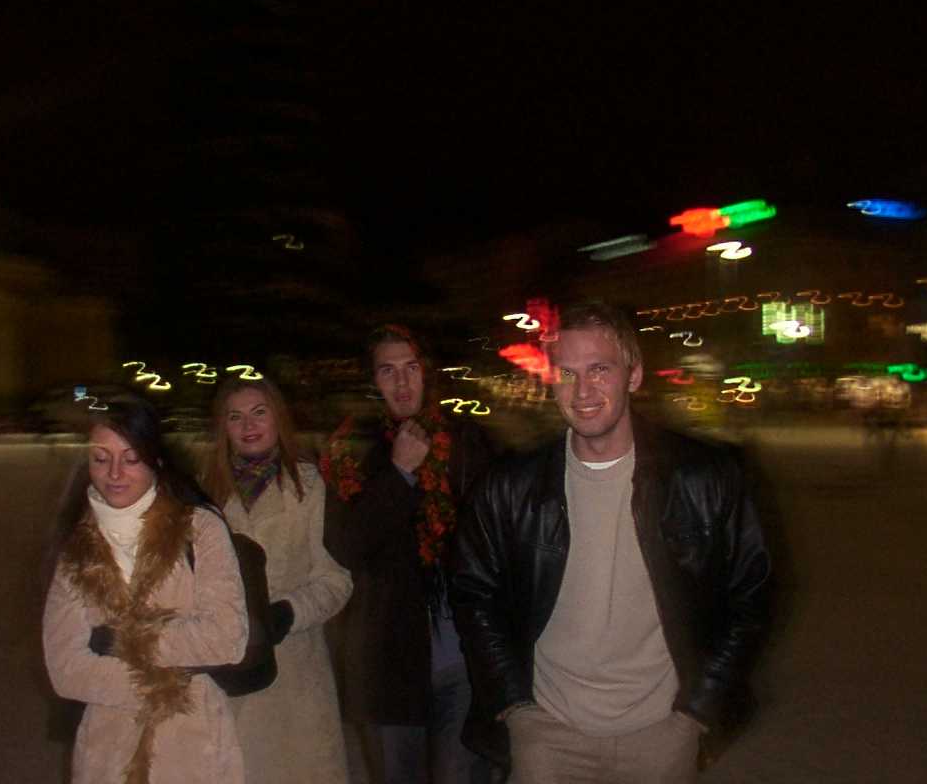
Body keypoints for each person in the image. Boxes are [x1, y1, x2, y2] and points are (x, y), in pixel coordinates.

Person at [450, 302, 772, 783]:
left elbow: (753, 597)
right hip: (547, 738)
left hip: (661, 736)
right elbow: (474, 596)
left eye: (599, 369)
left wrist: (696, 713)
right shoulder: (511, 486)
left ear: (634, 375)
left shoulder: (703, 478)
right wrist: (515, 708)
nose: (582, 391)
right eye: (568, 373)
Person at [43, 396, 248, 784]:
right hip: (107, 750)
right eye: (101, 459)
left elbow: (226, 638)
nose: (114, 473)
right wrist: (158, 684)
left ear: (155, 460)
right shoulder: (77, 548)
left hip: (193, 747)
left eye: (131, 458)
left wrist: (124, 641)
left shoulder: (200, 529)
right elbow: (65, 668)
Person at [322, 324, 494, 784]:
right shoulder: (351, 451)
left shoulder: (465, 442)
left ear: (426, 373)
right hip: (388, 663)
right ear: (373, 382)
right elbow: (346, 546)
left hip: (461, 658)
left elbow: (492, 542)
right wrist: (399, 472)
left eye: (411, 368)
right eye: (388, 371)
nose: (402, 382)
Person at [202, 374, 354, 784]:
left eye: (259, 412)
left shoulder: (310, 487)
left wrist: (288, 613)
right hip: (228, 679)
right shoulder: (206, 494)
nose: (248, 425)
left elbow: (336, 579)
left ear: (278, 418)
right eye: (235, 417)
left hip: (296, 681)